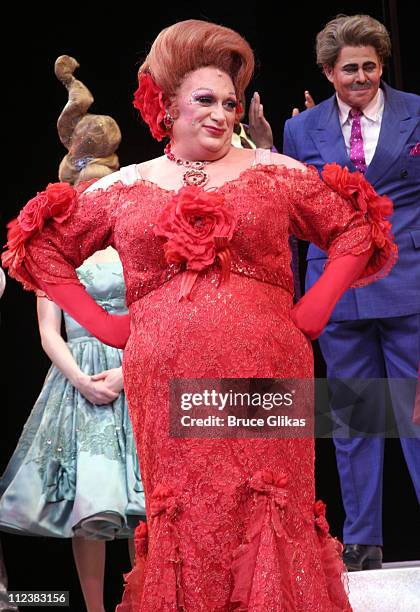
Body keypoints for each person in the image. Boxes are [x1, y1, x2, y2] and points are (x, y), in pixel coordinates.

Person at [3, 19, 396, 610]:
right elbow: (39, 246)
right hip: (165, 375)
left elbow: (357, 226)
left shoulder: (272, 171)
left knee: (269, 501)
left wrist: (313, 310)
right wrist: (109, 326)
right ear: (168, 105)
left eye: (231, 102)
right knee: (190, 509)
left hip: (267, 363)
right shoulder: (128, 186)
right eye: (205, 100)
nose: (221, 114)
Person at [0, 55, 145, 612]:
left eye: (107, 188)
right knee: (93, 504)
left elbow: (155, 316)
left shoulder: (136, 246)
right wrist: (84, 380)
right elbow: (47, 331)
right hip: (80, 380)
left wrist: (129, 372)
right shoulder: (52, 250)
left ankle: (145, 598)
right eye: (88, 189)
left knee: (144, 501)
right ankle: (93, 607)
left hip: (134, 371)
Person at [283, 13, 420, 571]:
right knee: (355, 416)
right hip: (335, 290)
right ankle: (363, 540)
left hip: (409, 280)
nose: (361, 77)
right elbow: (294, 216)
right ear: (328, 72)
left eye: (369, 66)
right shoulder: (302, 129)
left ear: (381, 66)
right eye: (349, 69)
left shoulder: (416, 112)